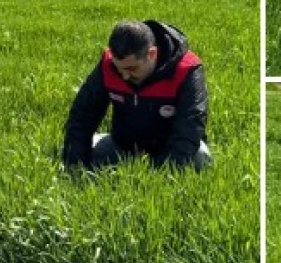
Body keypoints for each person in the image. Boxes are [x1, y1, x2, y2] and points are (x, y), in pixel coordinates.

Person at [61, 19, 210, 171]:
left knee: (200, 158)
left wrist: (164, 175)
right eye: (119, 69)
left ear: (152, 54)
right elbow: (82, 116)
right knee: (80, 150)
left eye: (132, 69)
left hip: (169, 146)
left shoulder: (186, 69)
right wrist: (75, 167)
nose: (124, 76)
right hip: (122, 146)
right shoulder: (108, 64)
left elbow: (190, 126)